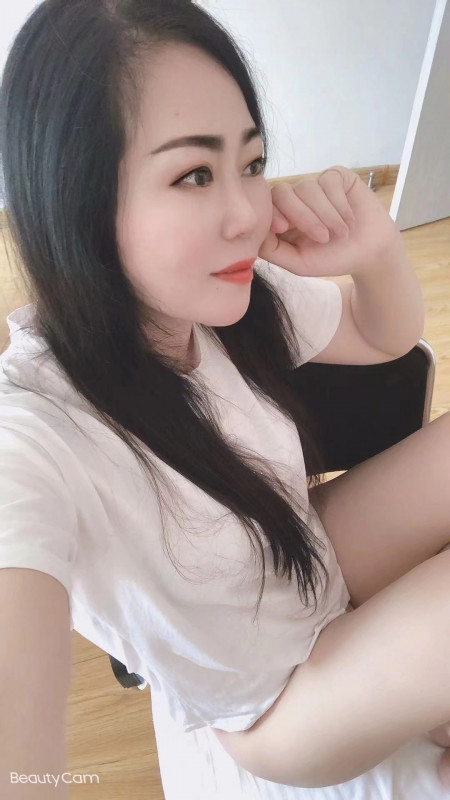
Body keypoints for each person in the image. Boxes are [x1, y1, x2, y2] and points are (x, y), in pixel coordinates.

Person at [0, 1, 449, 798]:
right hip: (276, 712)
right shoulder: (38, 431)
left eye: (252, 161)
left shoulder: (219, 300)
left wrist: (377, 249)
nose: (248, 213)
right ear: (74, 197)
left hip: (307, 558)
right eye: (195, 175)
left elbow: (382, 336)